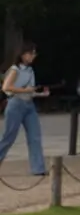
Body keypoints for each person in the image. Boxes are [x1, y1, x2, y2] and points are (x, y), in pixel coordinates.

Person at [0, 43, 43, 174]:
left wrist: (38, 93)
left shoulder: (30, 71)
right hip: (16, 104)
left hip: (29, 105)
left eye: (35, 53)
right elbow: (6, 87)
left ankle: (38, 168)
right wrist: (25, 90)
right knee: (9, 137)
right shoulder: (15, 69)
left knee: (35, 136)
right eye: (31, 53)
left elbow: (29, 90)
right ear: (23, 54)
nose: (33, 56)